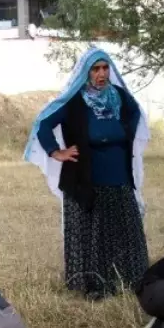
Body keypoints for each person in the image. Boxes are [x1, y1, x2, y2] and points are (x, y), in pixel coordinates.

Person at [24, 47, 150, 300]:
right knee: (92, 233)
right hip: (86, 180)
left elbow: (135, 113)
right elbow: (44, 124)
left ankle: (128, 280)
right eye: (96, 69)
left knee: (125, 230)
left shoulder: (120, 98)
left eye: (105, 68)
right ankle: (95, 286)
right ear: (86, 72)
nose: (101, 74)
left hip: (119, 177)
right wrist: (55, 151)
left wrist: (121, 135)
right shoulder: (74, 102)